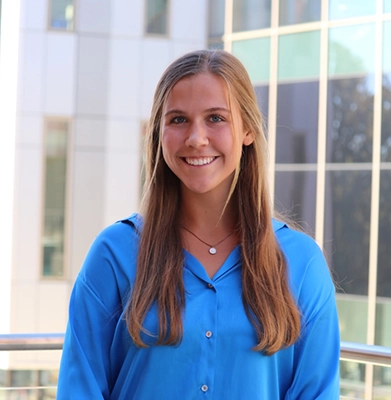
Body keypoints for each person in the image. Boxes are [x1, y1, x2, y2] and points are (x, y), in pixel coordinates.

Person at [57, 49, 340, 399]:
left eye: (216, 118)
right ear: (159, 133)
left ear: (248, 129)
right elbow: (78, 389)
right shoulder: (113, 254)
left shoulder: (303, 263)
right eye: (178, 120)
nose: (196, 138)